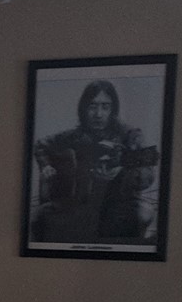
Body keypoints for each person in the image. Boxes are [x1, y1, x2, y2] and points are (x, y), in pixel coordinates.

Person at [30, 78, 159, 243]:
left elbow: (148, 170)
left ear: (113, 109)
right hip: (81, 203)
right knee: (38, 217)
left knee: (142, 214)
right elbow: (41, 145)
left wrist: (123, 169)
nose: (98, 114)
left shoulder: (130, 135)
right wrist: (45, 165)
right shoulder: (75, 136)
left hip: (120, 203)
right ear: (83, 108)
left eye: (105, 107)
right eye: (92, 106)